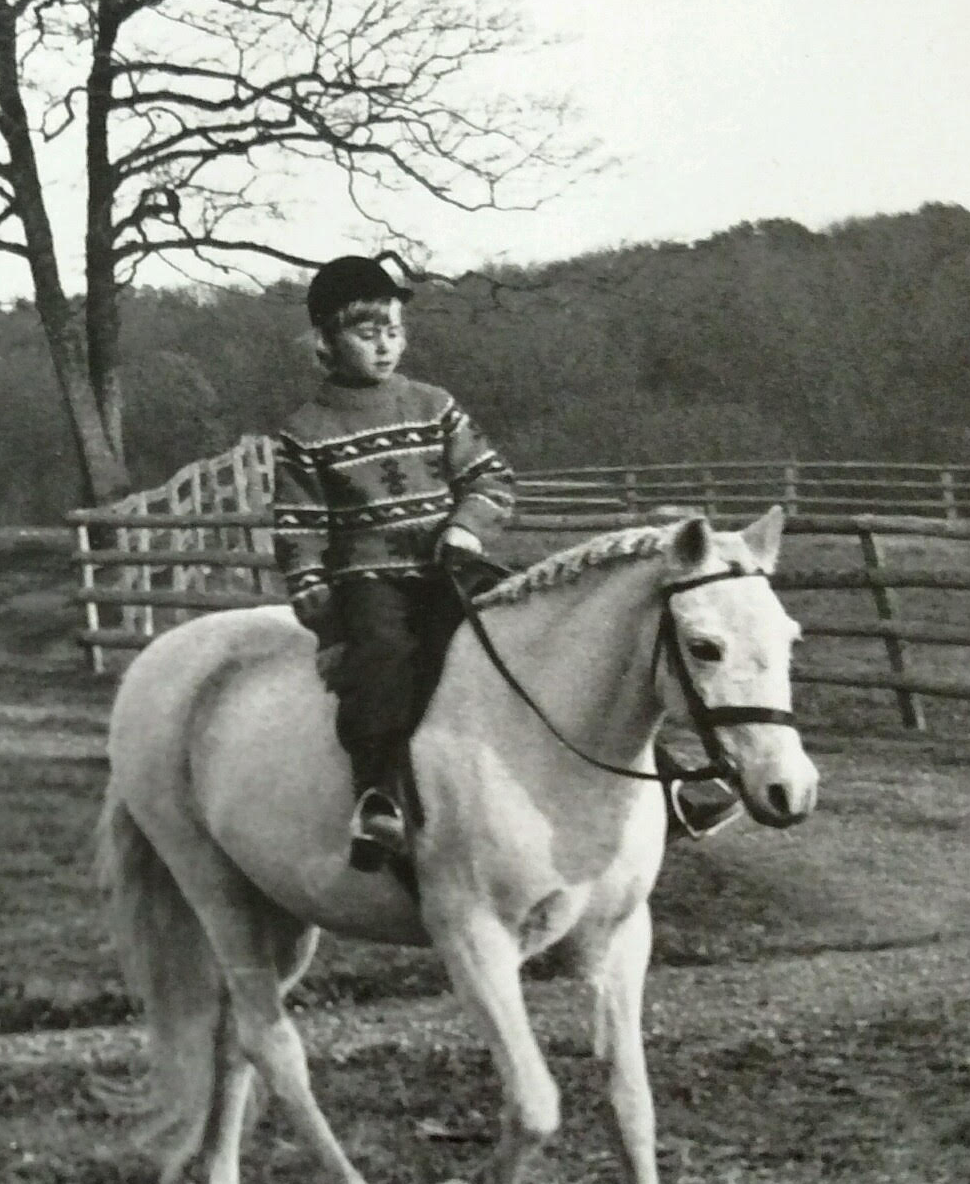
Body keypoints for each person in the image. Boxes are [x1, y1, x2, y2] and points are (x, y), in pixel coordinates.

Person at [270, 254, 739, 870]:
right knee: (386, 661)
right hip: (371, 582)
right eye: (366, 333)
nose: (385, 346)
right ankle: (379, 795)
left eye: (394, 330)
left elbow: (489, 477)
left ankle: (672, 785)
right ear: (328, 341)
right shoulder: (307, 432)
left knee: (539, 639)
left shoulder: (433, 404)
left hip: (449, 566)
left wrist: (465, 528)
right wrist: (325, 619)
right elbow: (298, 534)